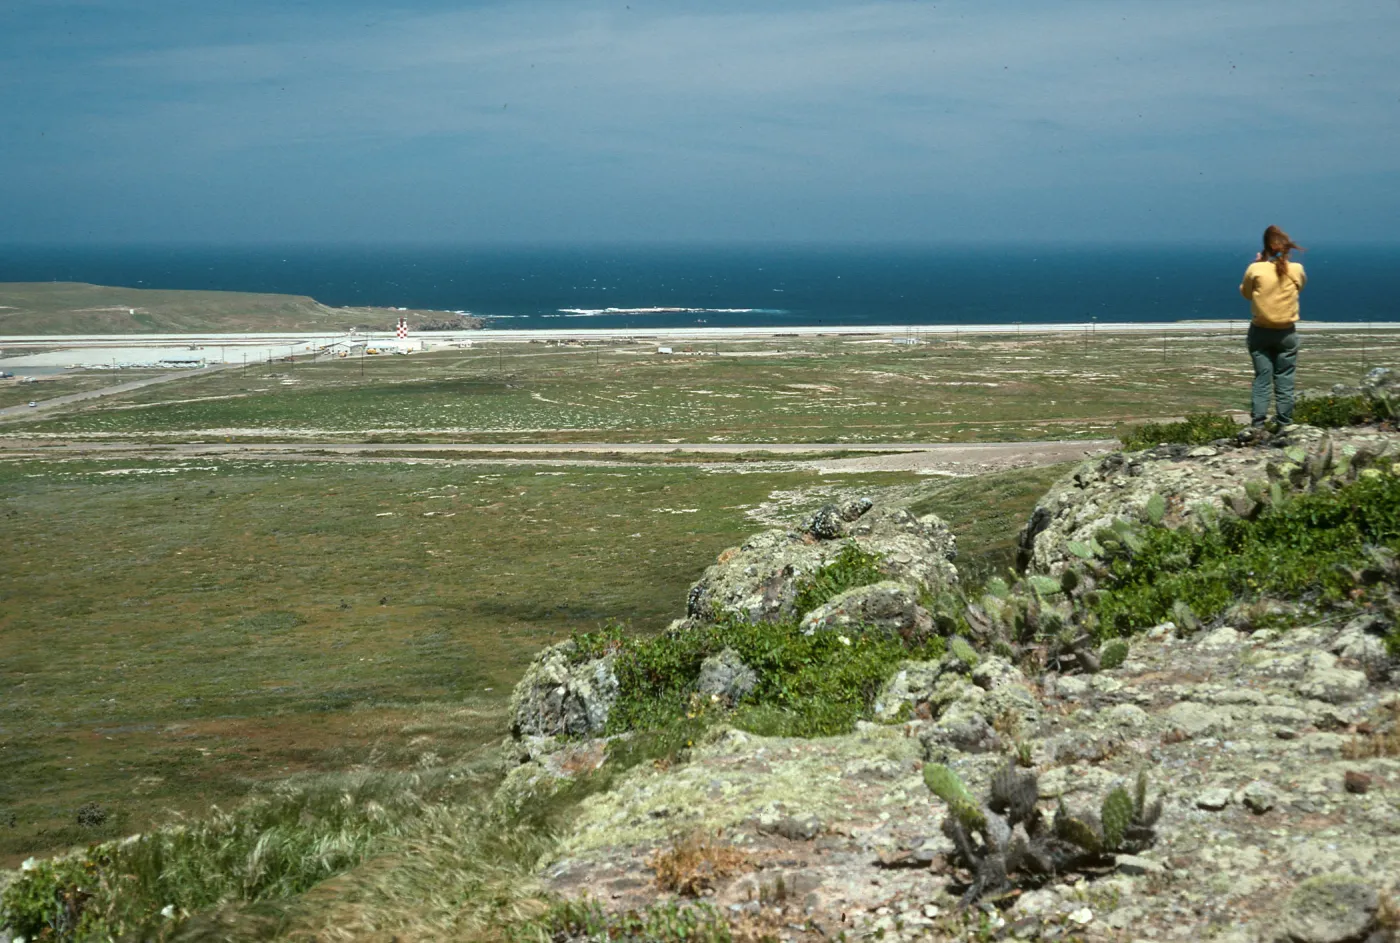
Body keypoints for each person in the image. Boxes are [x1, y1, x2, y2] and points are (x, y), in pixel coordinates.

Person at [1239, 225, 1306, 426]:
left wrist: (1260, 264)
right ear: (1288, 248)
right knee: (1284, 378)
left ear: (1265, 247)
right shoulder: (1296, 269)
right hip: (1286, 332)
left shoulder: (1255, 269)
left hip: (1260, 332)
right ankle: (1284, 423)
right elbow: (1299, 287)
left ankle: (1258, 423)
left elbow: (1246, 293)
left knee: (1262, 378)